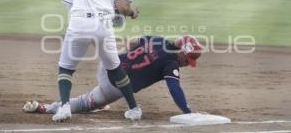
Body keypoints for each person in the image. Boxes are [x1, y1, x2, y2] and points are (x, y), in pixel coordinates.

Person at [53, 0, 140, 122]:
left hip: (77, 23)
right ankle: (133, 109)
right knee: (115, 68)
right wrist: (132, 13)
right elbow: (123, 8)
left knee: (66, 68)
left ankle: (64, 107)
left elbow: (69, 4)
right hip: (102, 25)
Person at [23, 35, 202, 116]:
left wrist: (138, 58)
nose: (187, 64)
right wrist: (187, 111)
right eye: (188, 59)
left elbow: (133, 41)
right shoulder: (171, 64)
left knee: (120, 60)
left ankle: (98, 102)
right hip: (114, 86)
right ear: (182, 51)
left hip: (109, 64)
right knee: (86, 103)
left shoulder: (159, 40)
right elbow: (174, 88)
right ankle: (45, 108)